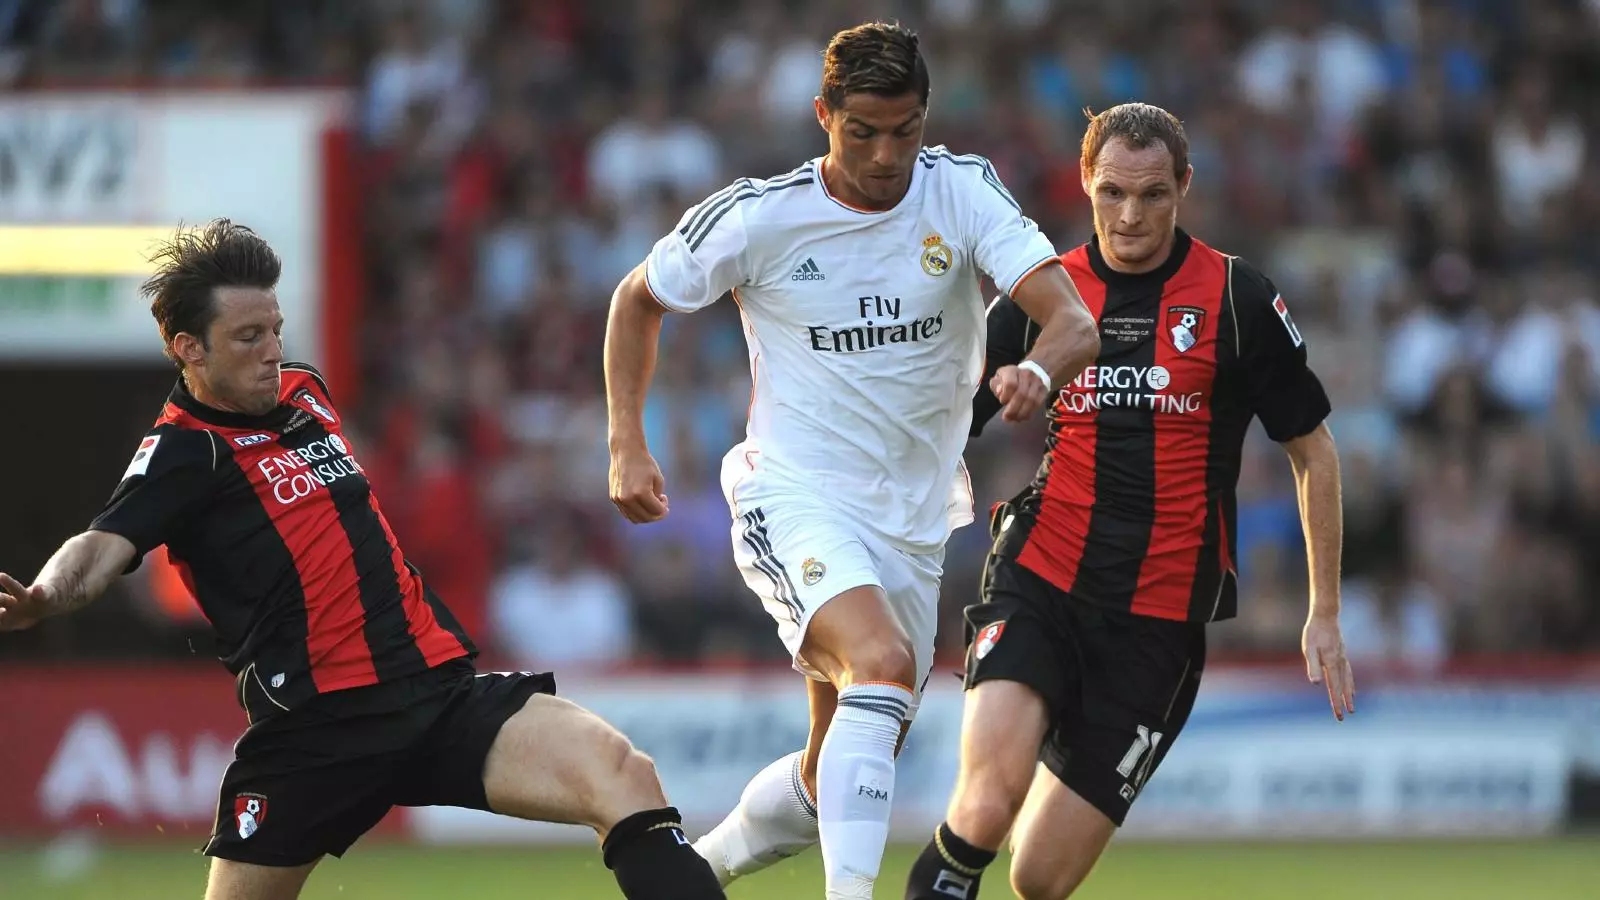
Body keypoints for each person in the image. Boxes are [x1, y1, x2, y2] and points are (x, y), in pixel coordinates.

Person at [0, 220, 726, 900]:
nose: (271, 350)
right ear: (189, 348)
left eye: (276, 330)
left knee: (624, 775)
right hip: (317, 731)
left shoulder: (305, 393)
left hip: (433, 694)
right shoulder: (185, 452)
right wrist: (45, 594)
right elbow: (100, 547)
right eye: (248, 336)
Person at [603, 21, 1100, 900]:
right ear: (822, 114)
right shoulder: (760, 215)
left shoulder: (962, 193)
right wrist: (626, 443)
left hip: (912, 517)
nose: (884, 155)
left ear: (926, 119)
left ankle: (693, 874)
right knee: (879, 667)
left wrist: (1032, 368)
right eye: (861, 131)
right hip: (792, 491)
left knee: (837, 763)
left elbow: (1073, 322)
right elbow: (637, 300)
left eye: (903, 131)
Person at [902, 102, 1353, 900]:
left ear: (1185, 187)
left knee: (1038, 879)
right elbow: (939, 429)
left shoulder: (1238, 301)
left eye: (1151, 195)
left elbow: (1312, 451)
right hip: (1041, 576)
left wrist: (1324, 611)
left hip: (1158, 626)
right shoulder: (1047, 294)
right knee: (983, 806)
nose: (1130, 215)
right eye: (1112, 193)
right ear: (1084, 184)